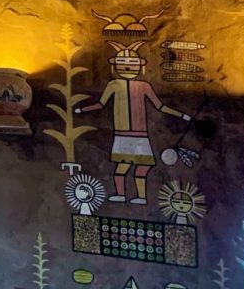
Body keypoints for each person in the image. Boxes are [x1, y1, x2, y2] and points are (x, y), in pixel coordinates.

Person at [75, 42, 191, 205]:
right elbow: (101, 104)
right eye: (123, 63)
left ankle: (141, 196)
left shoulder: (143, 86)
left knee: (143, 166)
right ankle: (121, 194)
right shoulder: (114, 85)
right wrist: (82, 109)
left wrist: (181, 115)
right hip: (122, 133)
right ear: (115, 66)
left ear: (140, 66)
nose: (128, 67)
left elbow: (160, 106)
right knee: (122, 166)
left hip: (140, 134)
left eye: (132, 63)